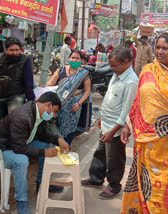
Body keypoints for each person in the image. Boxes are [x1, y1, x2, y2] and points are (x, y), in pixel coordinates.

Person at [0, 92, 69, 214]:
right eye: (54, 111)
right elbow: (18, 147)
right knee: (21, 160)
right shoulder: (23, 116)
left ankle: (42, 184)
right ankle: (21, 200)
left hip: (15, 144)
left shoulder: (37, 113)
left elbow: (43, 134)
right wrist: (43, 152)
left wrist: (58, 139)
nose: (53, 115)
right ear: (48, 105)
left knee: (46, 145)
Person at [81, 47, 138, 200]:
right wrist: (101, 117)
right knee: (100, 154)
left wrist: (113, 131)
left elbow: (127, 111)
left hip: (116, 129)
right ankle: (96, 178)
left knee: (114, 159)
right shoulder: (117, 74)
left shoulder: (131, 81)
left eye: (114, 65)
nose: (111, 68)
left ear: (126, 62)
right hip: (106, 123)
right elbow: (109, 98)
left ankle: (114, 186)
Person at [120, 33, 168, 214]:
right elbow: (137, 102)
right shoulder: (148, 71)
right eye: (158, 47)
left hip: (166, 144)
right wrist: (127, 125)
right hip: (147, 144)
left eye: (165, 48)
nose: (160, 51)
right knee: (147, 183)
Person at [46, 50, 91, 145]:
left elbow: (87, 91)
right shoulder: (61, 70)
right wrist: (45, 89)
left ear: (81, 60)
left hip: (73, 107)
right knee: (55, 124)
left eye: (77, 58)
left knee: (69, 127)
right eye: (72, 58)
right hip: (58, 105)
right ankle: (54, 145)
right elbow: (51, 83)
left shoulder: (84, 74)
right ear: (69, 58)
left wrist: (79, 103)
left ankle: (66, 145)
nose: (74, 60)